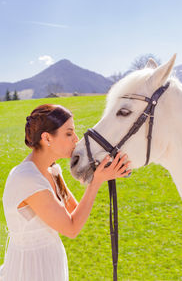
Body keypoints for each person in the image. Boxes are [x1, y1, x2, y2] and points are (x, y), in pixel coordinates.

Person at [0, 104, 131, 281]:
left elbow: (74, 211)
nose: (76, 139)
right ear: (47, 138)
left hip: (49, 260)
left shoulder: (51, 170)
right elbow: (72, 228)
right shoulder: (28, 179)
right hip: (31, 269)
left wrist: (99, 174)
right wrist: (96, 182)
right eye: (69, 133)